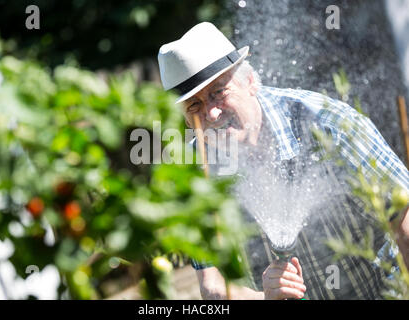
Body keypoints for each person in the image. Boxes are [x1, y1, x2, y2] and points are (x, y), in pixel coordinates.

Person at [157, 22, 409, 300]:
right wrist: (266, 298)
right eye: (194, 106)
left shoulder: (328, 125)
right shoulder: (194, 173)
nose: (212, 114)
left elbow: (405, 219)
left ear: (250, 82)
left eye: (218, 92)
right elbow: (213, 286)